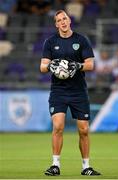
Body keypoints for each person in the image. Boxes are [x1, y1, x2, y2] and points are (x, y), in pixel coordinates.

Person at [40, 10, 101, 176]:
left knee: (84, 130)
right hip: (58, 91)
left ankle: (86, 167)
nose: (63, 22)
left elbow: (90, 64)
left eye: (65, 18)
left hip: (78, 91)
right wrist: (52, 66)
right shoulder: (50, 42)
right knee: (58, 126)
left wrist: (77, 66)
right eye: (59, 20)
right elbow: (43, 66)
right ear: (56, 24)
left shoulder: (81, 40)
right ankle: (55, 165)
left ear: (69, 20)